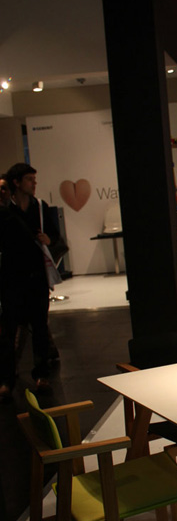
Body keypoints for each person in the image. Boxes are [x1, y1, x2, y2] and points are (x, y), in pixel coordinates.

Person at [0, 162, 60, 397]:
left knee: (40, 328)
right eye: (29, 180)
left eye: (34, 180)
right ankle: (6, 380)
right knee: (9, 331)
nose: (34, 184)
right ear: (16, 183)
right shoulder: (5, 211)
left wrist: (48, 240)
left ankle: (41, 375)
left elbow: (55, 236)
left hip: (36, 278)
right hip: (12, 279)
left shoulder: (40, 208)